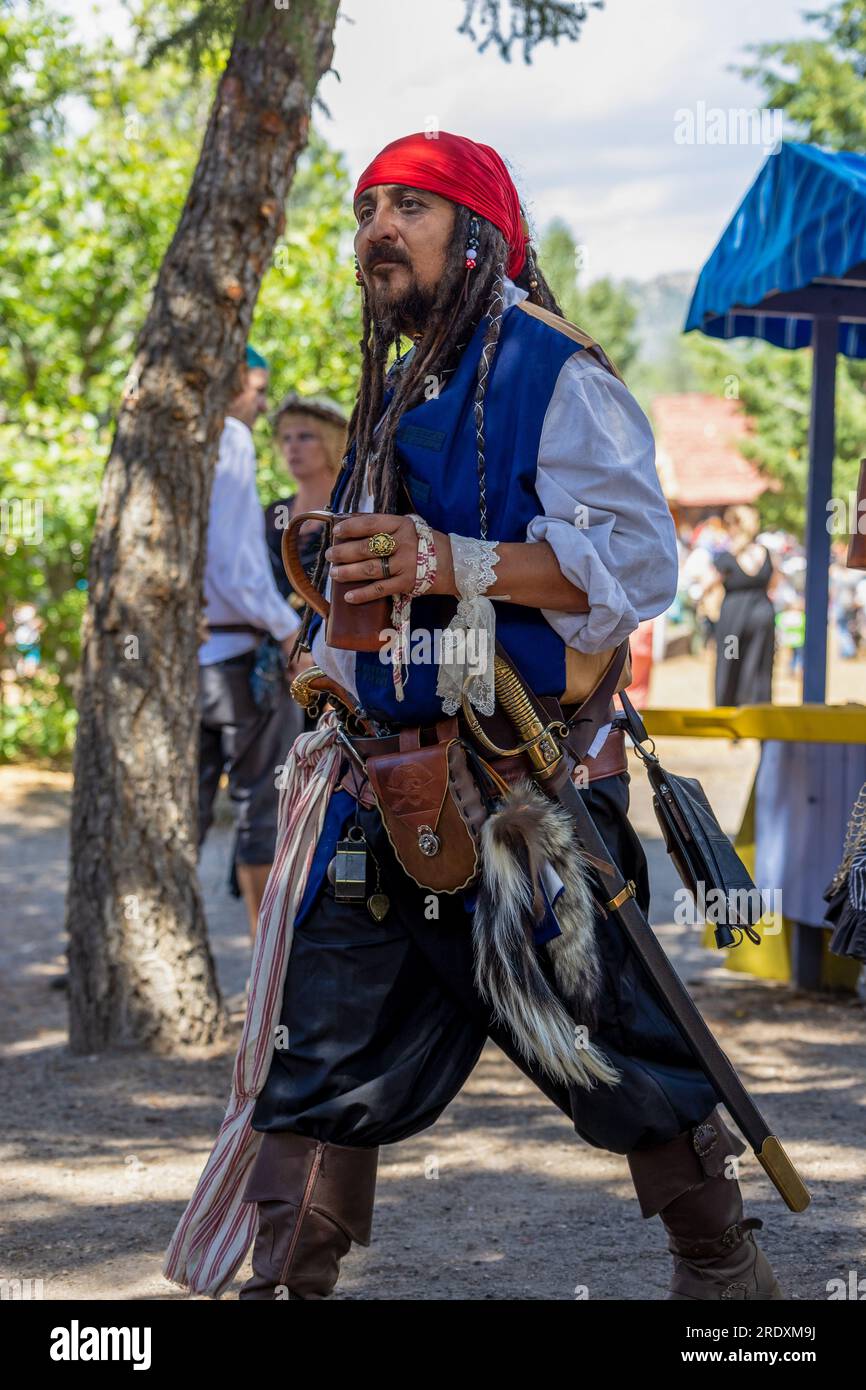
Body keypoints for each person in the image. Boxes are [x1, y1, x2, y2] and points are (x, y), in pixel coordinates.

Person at [165, 133, 785, 1303]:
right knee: (314, 1058)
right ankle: (281, 1286)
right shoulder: (405, 380)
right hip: (381, 789)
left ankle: (722, 1274)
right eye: (365, 211)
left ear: (478, 234)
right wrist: (330, 635)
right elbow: (406, 607)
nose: (378, 230)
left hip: (525, 798)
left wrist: (449, 556)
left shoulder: (551, 371)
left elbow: (635, 565)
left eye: (410, 206)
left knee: (622, 1053)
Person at [197, 347, 312, 942]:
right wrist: (290, 631)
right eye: (258, 389)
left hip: (191, 661)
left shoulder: (182, 439)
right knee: (262, 813)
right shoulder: (231, 439)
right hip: (243, 662)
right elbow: (238, 570)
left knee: (184, 813)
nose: (260, 404)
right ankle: (272, 956)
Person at [709, 505, 777, 706]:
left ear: (736, 526)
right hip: (763, 614)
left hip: (734, 618)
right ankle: (758, 709)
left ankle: (729, 707)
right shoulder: (764, 553)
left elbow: (708, 583)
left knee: (730, 661)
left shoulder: (728, 556)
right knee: (759, 665)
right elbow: (774, 583)